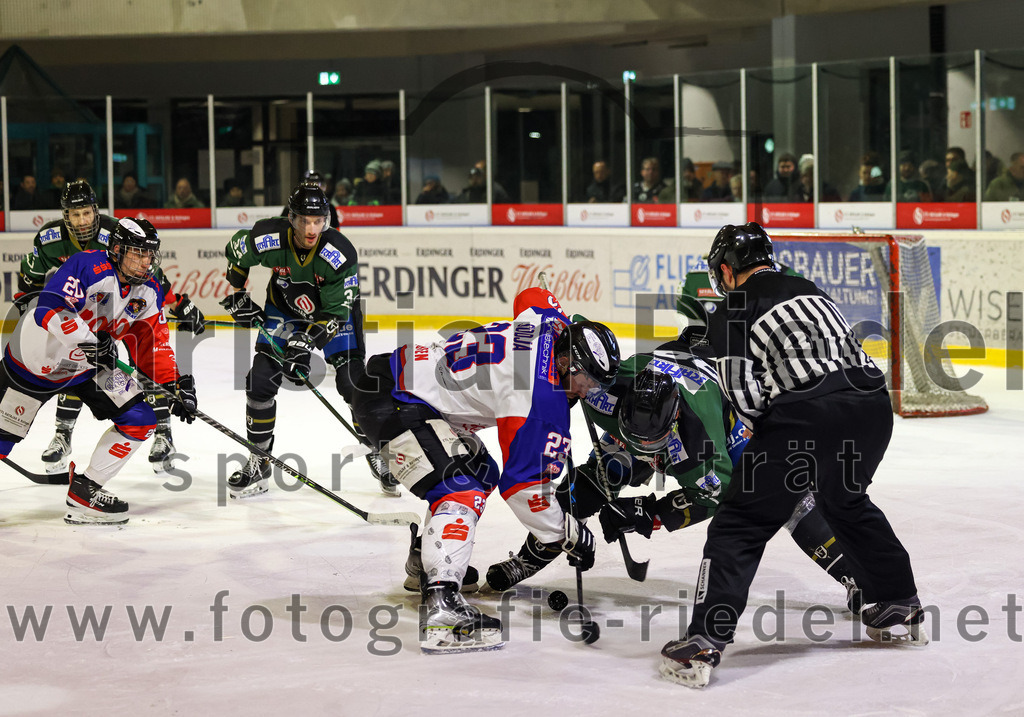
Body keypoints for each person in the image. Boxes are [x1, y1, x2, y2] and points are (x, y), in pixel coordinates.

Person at [659, 222, 925, 689]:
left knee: (739, 523)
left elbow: (745, 397)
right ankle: (898, 598)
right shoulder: (811, 290)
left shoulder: (730, 310)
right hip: (872, 409)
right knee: (846, 501)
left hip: (807, 416)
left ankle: (705, 638)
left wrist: (775, 442)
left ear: (726, 269)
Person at [487, 338, 863, 620]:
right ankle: (532, 554)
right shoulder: (606, 389)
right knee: (601, 475)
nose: (650, 456)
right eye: (641, 445)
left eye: (655, 448)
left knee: (786, 497)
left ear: (676, 420)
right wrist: (564, 387)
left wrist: (648, 513)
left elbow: (712, 498)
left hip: (734, 419)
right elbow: (577, 339)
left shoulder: (701, 445)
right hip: (674, 376)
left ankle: (858, 576)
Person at [351, 292, 619, 653]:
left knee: (479, 469)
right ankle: (442, 607)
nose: (588, 392)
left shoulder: (548, 323)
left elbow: (532, 295)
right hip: (395, 402)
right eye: (587, 382)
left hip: (399, 378)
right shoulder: (540, 401)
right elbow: (524, 490)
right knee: (460, 487)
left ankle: (426, 565)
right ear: (568, 363)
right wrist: (567, 532)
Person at [0, 217, 197, 525]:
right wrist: (89, 340)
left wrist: (174, 383)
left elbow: (152, 343)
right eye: (138, 253)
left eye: (149, 254)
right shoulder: (87, 266)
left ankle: (85, 491)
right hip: (35, 361)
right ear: (117, 250)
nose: (146, 262)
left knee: (140, 418)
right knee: (2, 438)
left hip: (85, 367)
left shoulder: (148, 291)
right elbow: (49, 308)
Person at [15, 179, 205, 475]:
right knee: (74, 359)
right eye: (75, 214)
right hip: (79, 312)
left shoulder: (117, 232)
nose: (82, 221)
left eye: (87, 213)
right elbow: (30, 283)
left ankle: (163, 432)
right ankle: (63, 435)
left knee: (147, 357)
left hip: (122, 310)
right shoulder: (49, 238)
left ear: (96, 211)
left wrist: (178, 302)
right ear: (65, 215)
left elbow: (149, 276)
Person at [221, 182, 394, 497]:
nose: (311, 228)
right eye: (303, 220)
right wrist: (237, 295)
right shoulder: (268, 237)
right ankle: (259, 461)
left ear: (326, 220)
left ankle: (375, 450)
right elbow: (236, 251)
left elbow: (337, 312)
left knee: (352, 383)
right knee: (259, 381)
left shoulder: (339, 253)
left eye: (317, 221)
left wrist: (305, 341)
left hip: (332, 316)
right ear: (291, 218)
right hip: (283, 309)